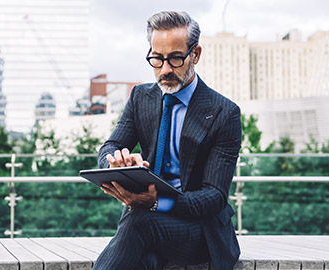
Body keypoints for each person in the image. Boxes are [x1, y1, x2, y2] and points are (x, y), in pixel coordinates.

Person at [93, 11, 241, 270]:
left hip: (198, 230)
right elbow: (109, 146)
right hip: (147, 223)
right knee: (145, 262)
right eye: (157, 59)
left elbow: (214, 197)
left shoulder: (224, 113)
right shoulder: (141, 97)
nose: (165, 70)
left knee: (139, 221)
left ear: (194, 55)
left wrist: (158, 203)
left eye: (175, 58)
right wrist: (116, 163)